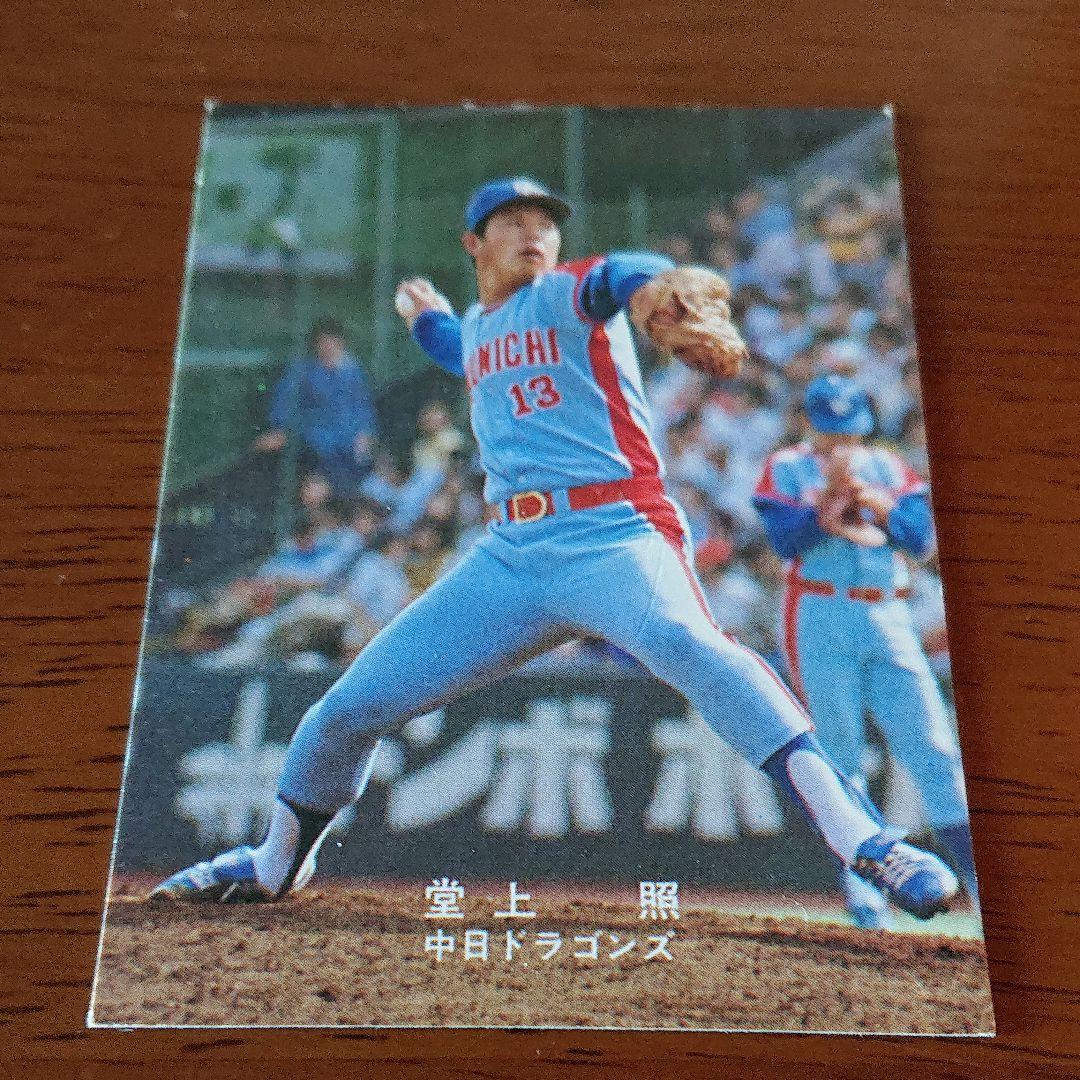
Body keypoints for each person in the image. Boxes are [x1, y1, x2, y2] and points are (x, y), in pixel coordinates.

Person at [153, 177, 958, 922]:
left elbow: (621, 275)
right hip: (511, 555)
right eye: (512, 222)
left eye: (544, 221)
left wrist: (657, 288)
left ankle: (868, 842)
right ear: (474, 243)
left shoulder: (571, 291)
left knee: (694, 646)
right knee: (344, 711)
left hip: (616, 535)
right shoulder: (479, 330)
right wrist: (422, 314)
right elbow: (458, 345)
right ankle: (275, 864)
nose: (534, 232)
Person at [752, 374, 977, 928]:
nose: (841, 440)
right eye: (832, 429)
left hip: (887, 611)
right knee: (839, 754)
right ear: (811, 423)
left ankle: (980, 887)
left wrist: (879, 507)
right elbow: (785, 540)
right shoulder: (787, 466)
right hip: (819, 608)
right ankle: (867, 899)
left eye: (849, 429)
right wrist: (827, 506)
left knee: (935, 748)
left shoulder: (889, 467)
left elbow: (920, 538)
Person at [255, 317, 378, 496]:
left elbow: (364, 409)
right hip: (314, 446)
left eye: (332, 341)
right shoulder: (302, 371)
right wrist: (281, 430)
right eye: (322, 342)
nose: (327, 347)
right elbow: (284, 403)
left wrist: (366, 433)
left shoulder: (354, 371)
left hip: (350, 450)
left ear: (341, 343)